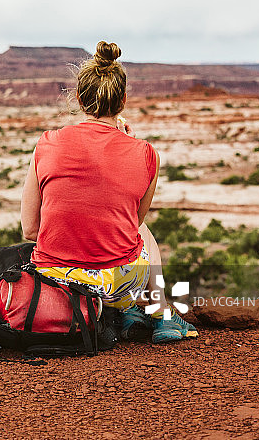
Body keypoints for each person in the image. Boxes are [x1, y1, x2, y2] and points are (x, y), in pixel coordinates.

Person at [19, 40, 197, 343]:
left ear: (78, 97)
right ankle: (161, 316)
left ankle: (115, 315)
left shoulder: (46, 143)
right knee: (145, 232)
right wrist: (129, 144)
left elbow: (30, 230)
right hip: (118, 283)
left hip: (56, 284)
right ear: (124, 100)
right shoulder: (146, 153)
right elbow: (133, 223)